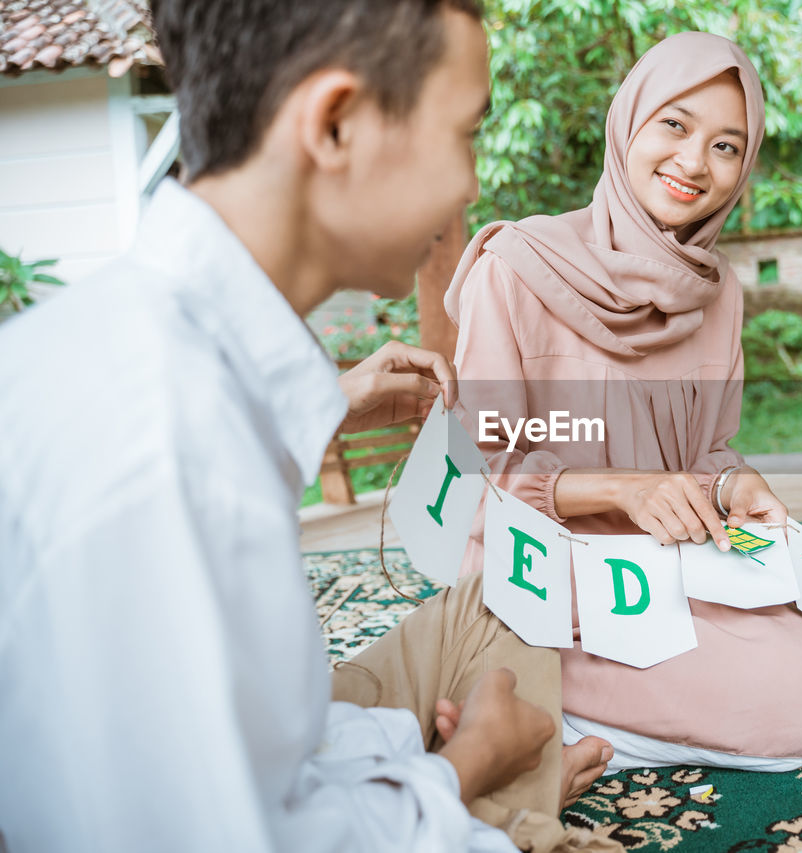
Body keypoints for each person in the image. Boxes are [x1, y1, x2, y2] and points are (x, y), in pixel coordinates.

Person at [0, 1, 615, 851]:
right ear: (335, 124)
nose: (471, 184)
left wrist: (325, 396)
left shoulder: (158, 352)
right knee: (502, 725)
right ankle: (511, 810)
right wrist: (467, 760)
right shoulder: (166, 450)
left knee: (503, 597)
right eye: (464, 133)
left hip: (304, 751)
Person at [445, 32, 802, 772]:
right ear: (627, 121)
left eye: (727, 146)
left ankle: (621, 714)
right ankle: (551, 711)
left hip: (676, 563)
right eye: (674, 124)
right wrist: (621, 491)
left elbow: (705, 453)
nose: (695, 162)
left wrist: (733, 483)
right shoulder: (513, 269)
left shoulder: (716, 291)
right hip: (546, 581)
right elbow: (472, 484)